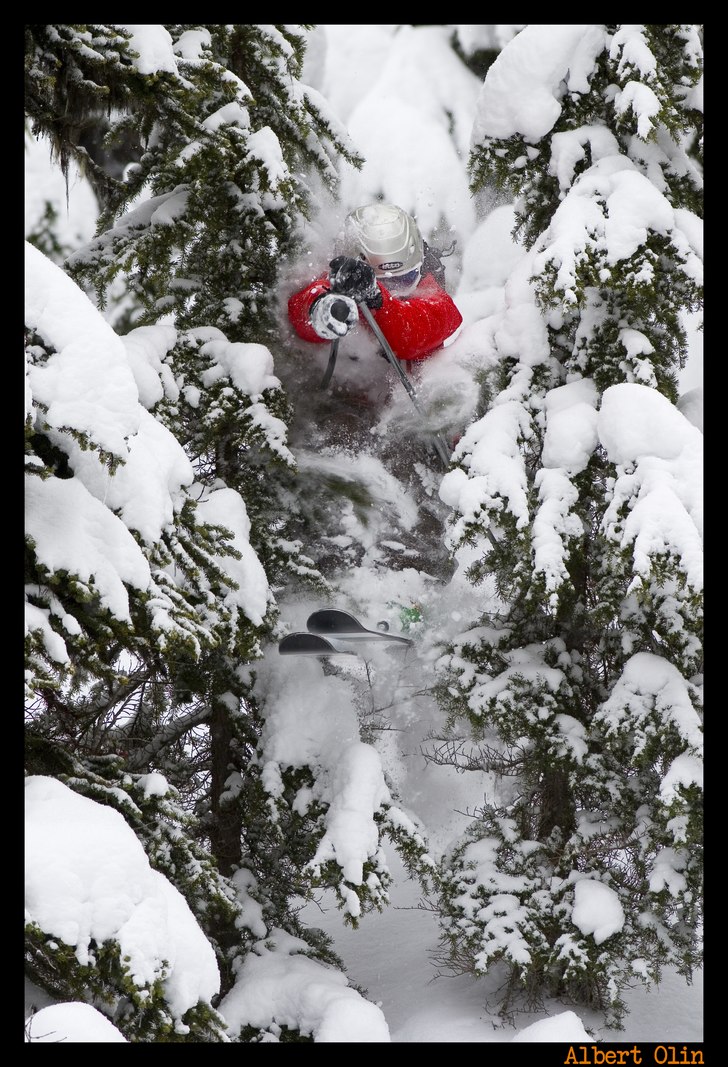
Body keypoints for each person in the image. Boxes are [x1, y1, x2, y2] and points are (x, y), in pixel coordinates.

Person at [287, 203, 463, 364]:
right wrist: (321, 306)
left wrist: (378, 297)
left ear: (419, 266)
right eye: (383, 282)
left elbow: (416, 333)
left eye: (404, 279)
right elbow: (302, 306)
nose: (394, 291)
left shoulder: (429, 290)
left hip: (404, 386)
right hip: (341, 385)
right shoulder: (340, 281)